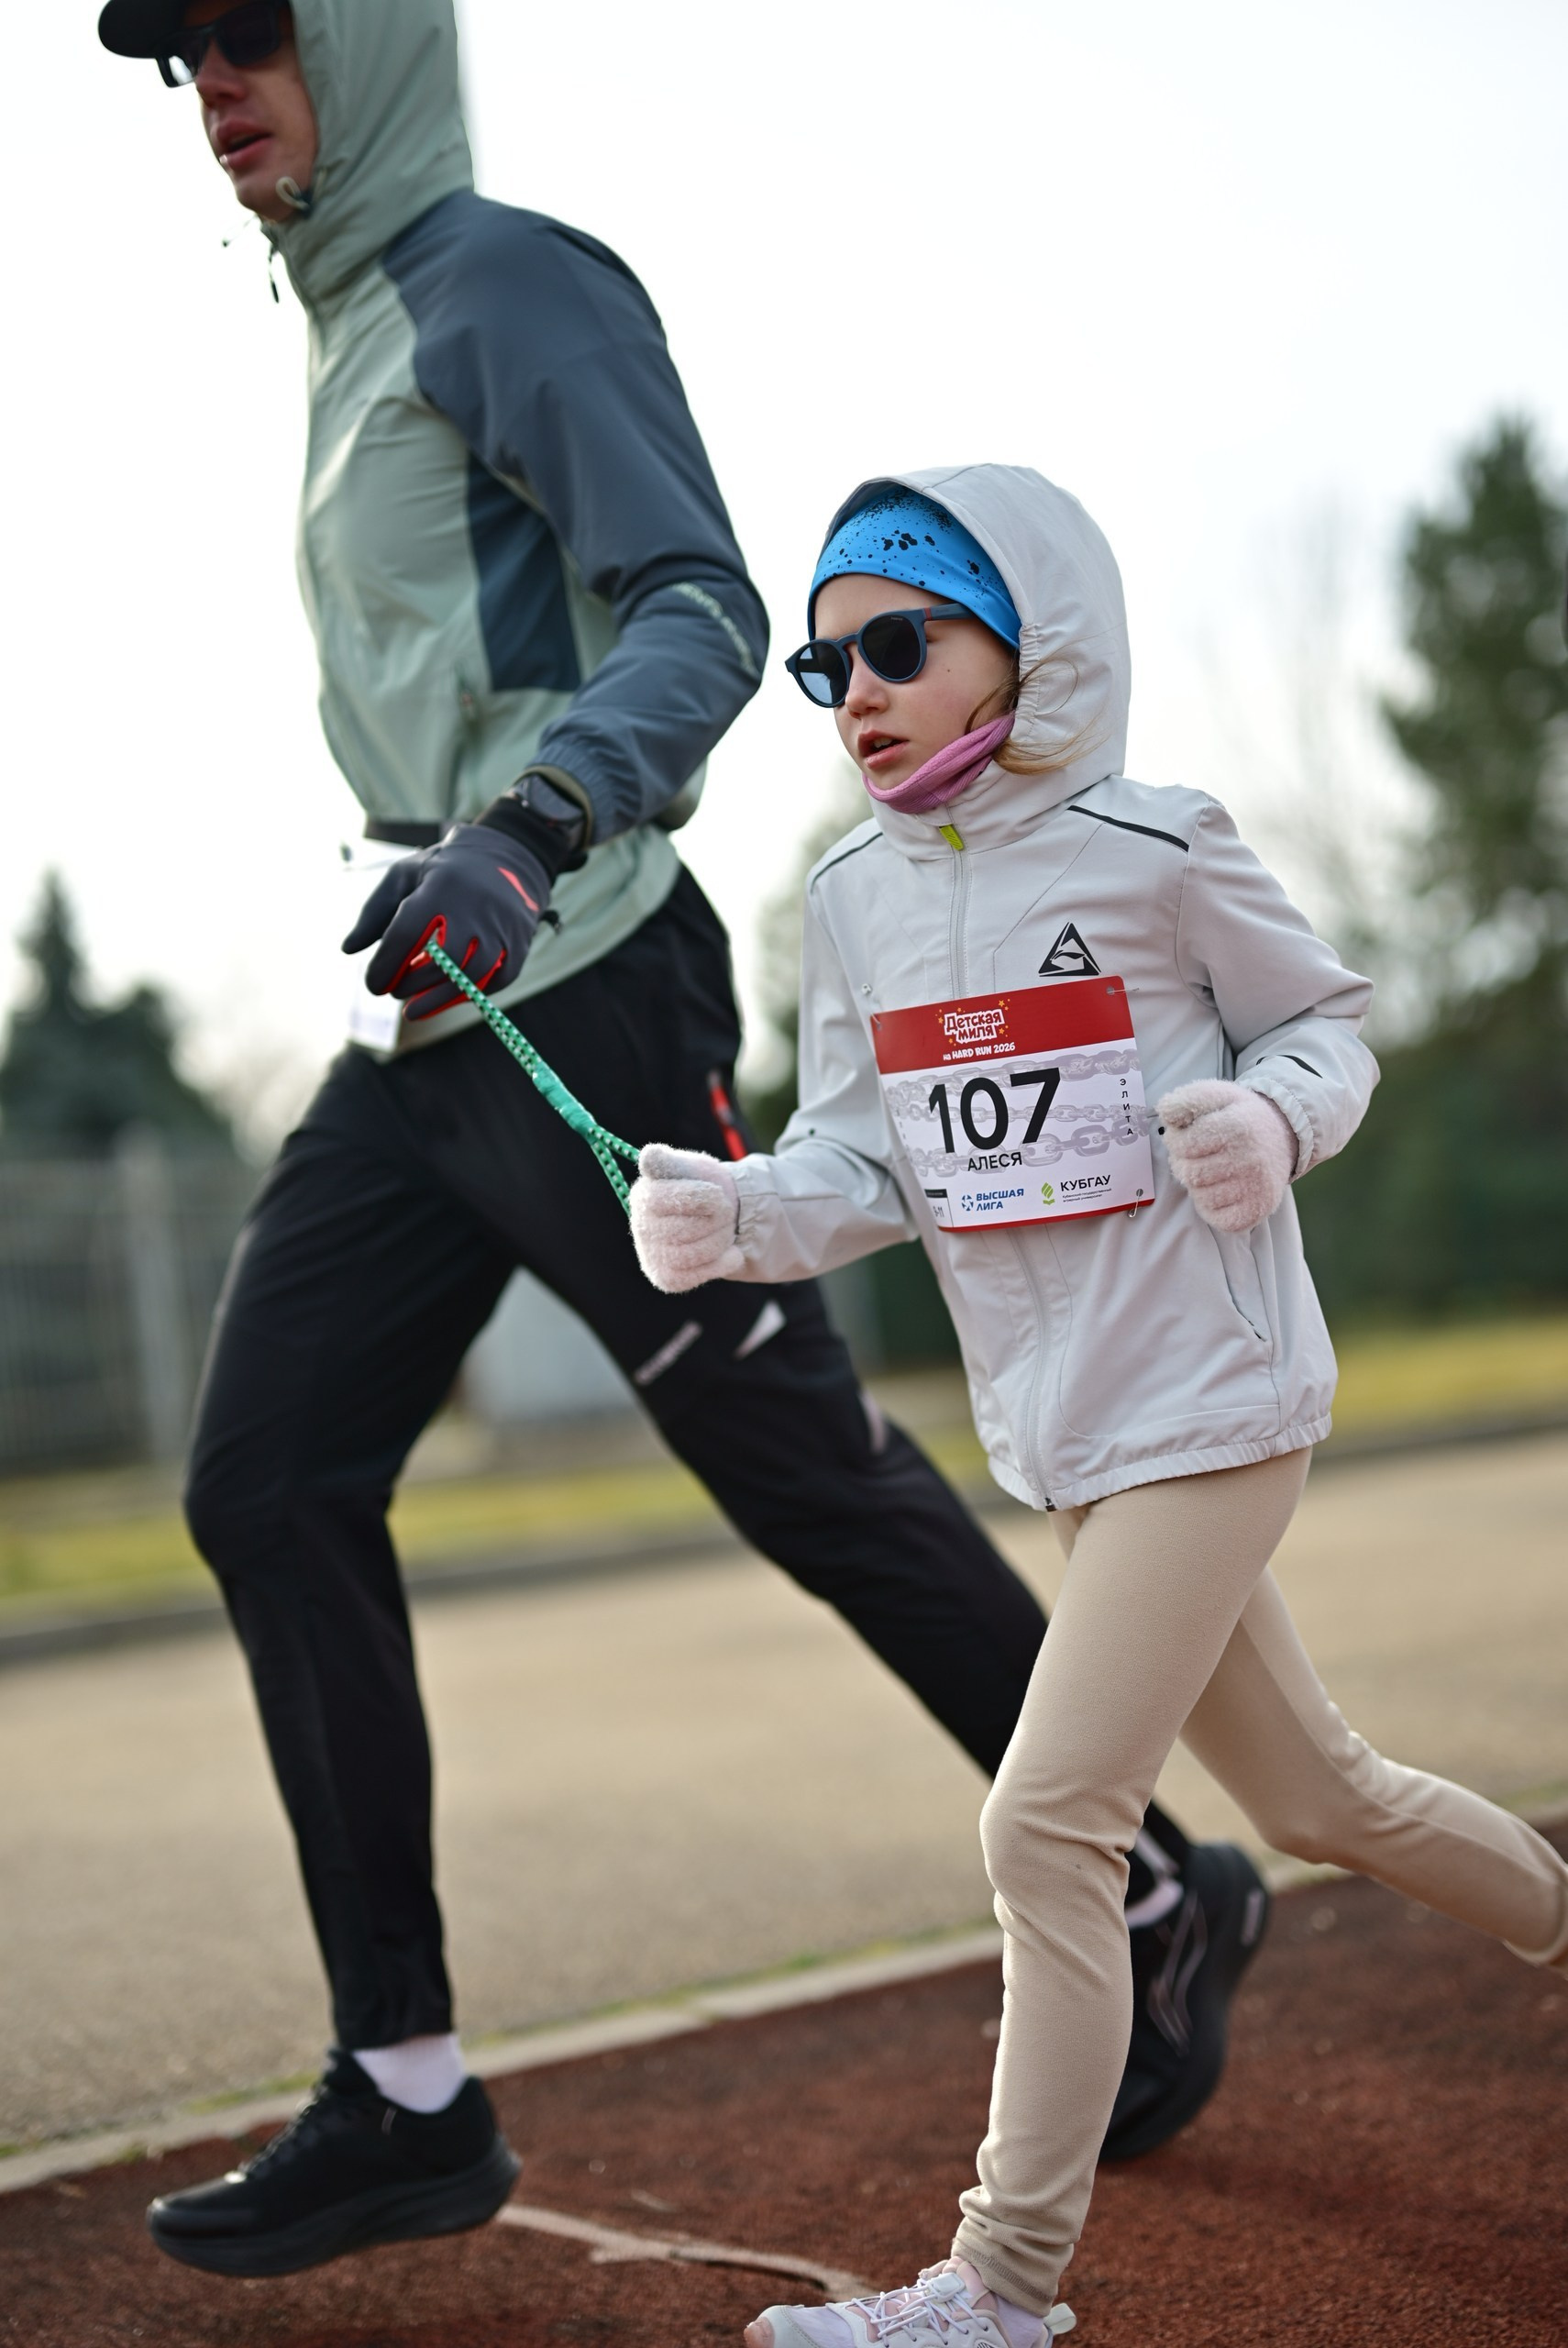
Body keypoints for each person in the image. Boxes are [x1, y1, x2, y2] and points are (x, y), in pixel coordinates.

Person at [94, 0, 1262, 2280]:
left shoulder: (504, 281)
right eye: (178, 52)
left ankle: (1148, 1882)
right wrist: (458, 859)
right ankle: (405, 2086)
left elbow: (707, 604)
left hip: (590, 978)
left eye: (253, 29)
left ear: (363, 39)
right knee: (268, 1475)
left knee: (805, 1473)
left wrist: (533, 823)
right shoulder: (343, 332)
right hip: (427, 1007)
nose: (214, 79)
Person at [629, 467, 1568, 2348]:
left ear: (1022, 644)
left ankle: (1003, 2284)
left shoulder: (1161, 845)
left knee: (1047, 1825)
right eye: (825, 666)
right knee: (1318, 1796)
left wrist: (1271, 1117)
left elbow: (1328, 1028)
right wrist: (735, 1218)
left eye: (897, 641)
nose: (856, 689)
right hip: (1062, 1434)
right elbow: (860, 1162)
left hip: (1214, 1399)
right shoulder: (851, 900)